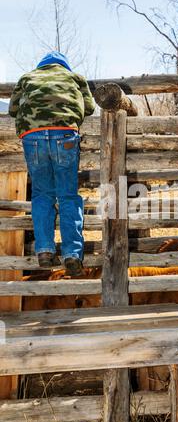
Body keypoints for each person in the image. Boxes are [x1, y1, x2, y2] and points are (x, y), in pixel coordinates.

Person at [9, 51, 95, 276]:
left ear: (42, 66)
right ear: (63, 66)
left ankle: (45, 250)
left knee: (42, 194)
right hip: (65, 135)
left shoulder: (27, 78)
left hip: (33, 137)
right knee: (67, 195)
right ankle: (72, 254)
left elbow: (13, 109)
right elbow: (90, 107)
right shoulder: (75, 78)